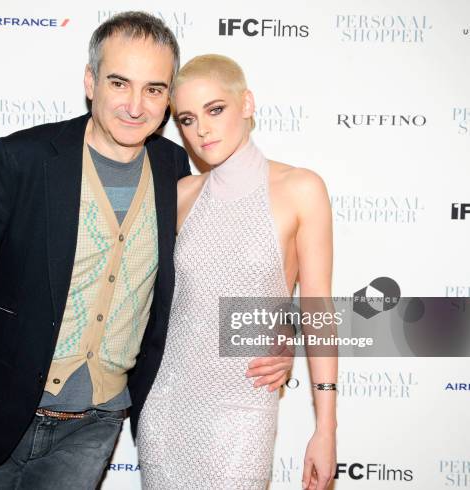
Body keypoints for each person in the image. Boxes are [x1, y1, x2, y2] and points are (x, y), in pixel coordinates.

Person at [0, 14, 293, 489]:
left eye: (155, 90)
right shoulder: (24, 159)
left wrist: (279, 337)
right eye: (120, 83)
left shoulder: (175, 171)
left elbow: (233, 268)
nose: (136, 106)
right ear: (90, 81)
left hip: (97, 419)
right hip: (0, 406)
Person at [137, 54, 338, 490]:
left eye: (215, 109)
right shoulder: (180, 195)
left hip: (243, 407)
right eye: (187, 119)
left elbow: (317, 311)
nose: (201, 130)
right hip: (168, 408)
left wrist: (326, 429)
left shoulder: (301, 189)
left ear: (246, 103)